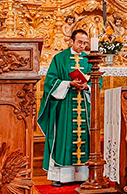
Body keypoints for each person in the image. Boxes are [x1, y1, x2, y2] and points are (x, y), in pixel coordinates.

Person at [37, 30, 92, 187]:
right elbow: (50, 81)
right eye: (80, 42)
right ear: (71, 41)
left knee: (84, 139)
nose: (82, 46)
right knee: (63, 138)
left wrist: (86, 85)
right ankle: (60, 176)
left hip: (83, 105)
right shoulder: (59, 59)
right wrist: (69, 83)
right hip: (65, 105)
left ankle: (82, 174)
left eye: (85, 43)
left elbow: (97, 79)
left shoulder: (89, 60)